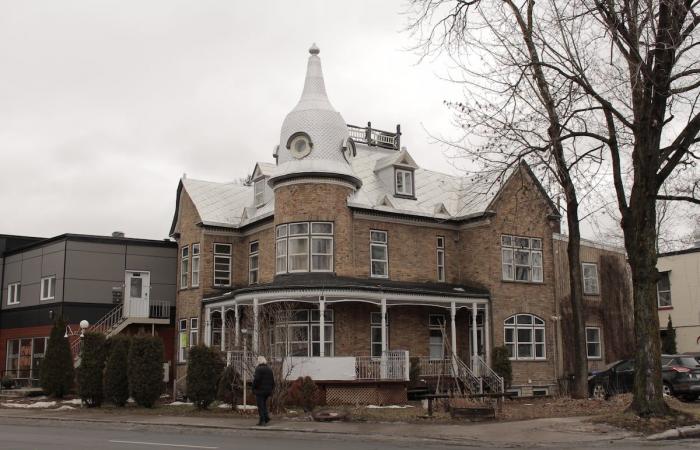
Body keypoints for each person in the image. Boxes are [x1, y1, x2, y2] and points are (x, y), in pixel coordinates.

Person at [252, 355, 274, 426]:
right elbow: (273, 381)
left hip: (260, 391)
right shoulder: (269, 369)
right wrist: (271, 389)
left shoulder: (258, 369)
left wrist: (253, 388)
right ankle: (266, 418)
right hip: (268, 391)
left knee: (260, 406)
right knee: (264, 404)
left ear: (259, 361)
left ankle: (262, 420)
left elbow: (256, 380)